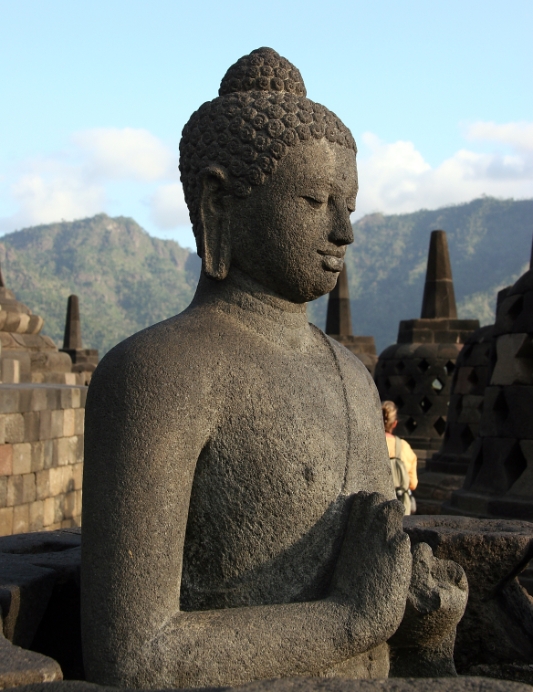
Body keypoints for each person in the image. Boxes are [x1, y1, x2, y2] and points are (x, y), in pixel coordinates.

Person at [81, 48, 466, 688]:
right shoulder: (156, 375)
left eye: (349, 206)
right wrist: (351, 619)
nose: (344, 232)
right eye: (316, 200)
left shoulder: (351, 375)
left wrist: (418, 614)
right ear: (219, 203)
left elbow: (376, 594)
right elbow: (136, 656)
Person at [382, 401, 418, 514]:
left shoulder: (370, 443)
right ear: (395, 423)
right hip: (400, 506)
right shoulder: (405, 447)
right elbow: (413, 484)